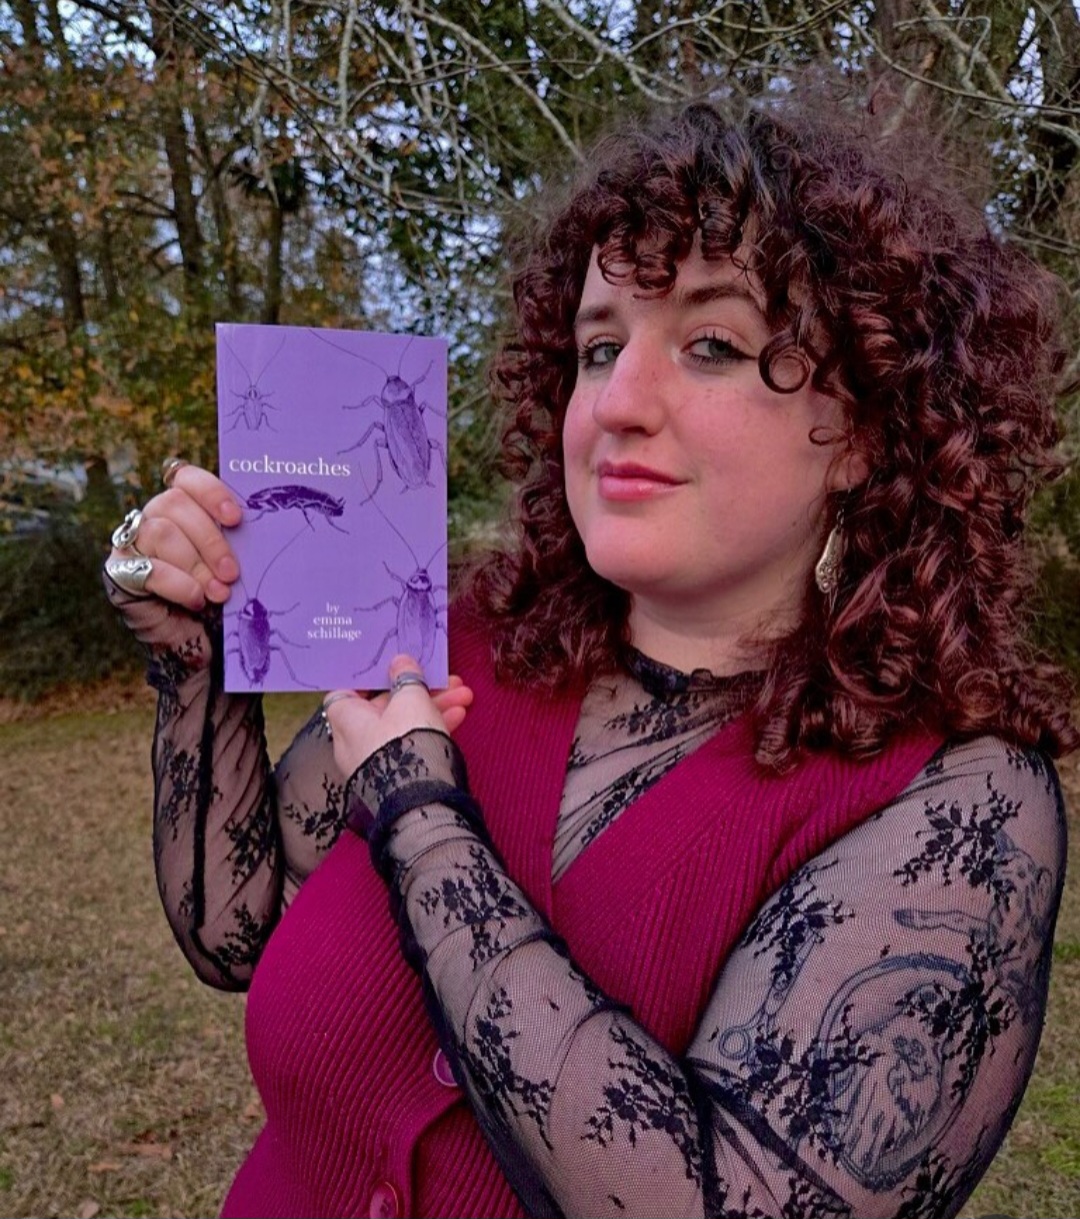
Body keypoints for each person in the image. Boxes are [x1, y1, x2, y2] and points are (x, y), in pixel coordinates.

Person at [103, 97, 1073, 1219]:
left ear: (861, 427)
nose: (616, 403)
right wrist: (193, 661)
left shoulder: (957, 807)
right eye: (599, 345)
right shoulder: (459, 644)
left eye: (712, 345)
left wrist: (424, 822)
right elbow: (240, 929)